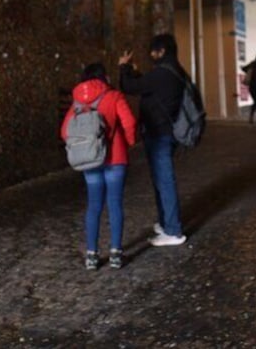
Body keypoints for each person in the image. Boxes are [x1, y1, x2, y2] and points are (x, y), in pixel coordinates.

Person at [61, 62, 137, 270]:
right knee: (114, 203)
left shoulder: (77, 102)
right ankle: (115, 253)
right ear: (104, 77)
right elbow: (129, 122)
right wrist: (128, 142)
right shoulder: (114, 96)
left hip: (90, 160)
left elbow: (65, 132)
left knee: (94, 205)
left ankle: (92, 255)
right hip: (116, 158)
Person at [118, 33, 187, 247]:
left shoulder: (162, 74)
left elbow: (130, 87)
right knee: (160, 180)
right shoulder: (174, 71)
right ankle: (167, 223)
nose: (151, 55)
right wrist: (134, 71)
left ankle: (174, 230)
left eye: (153, 51)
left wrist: (123, 67)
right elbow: (146, 86)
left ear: (161, 51)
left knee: (164, 181)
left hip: (160, 134)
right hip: (164, 132)